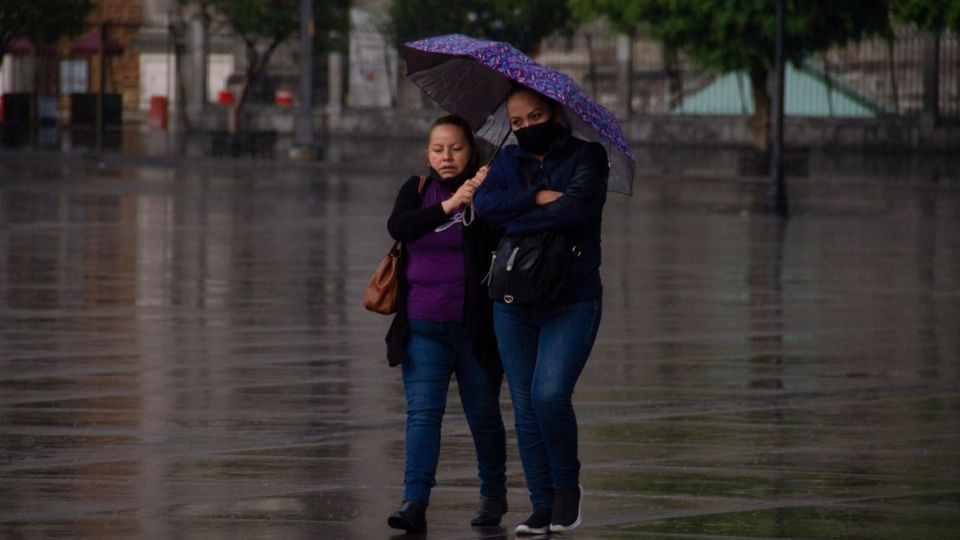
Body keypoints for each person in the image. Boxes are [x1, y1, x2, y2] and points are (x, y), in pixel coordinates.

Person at [472, 86, 609, 535]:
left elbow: (575, 211)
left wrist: (518, 212)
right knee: (526, 405)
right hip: (512, 299)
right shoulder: (506, 160)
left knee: (549, 394)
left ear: (554, 112)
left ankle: (567, 487)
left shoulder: (588, 157)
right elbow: (486, 208)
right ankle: (541, 504)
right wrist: (534, 197)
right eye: (517, 123)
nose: (527, 127)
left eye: (535, 117)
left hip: (572, 298)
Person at [384, 115, 507, 532]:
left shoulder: (486, 190)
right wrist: (450, 205)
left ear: (471, 151)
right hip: (422, 325)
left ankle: (493, 495)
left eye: (455, 148)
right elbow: (399, 226)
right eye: (438, 149)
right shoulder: (417, 190)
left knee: (484, 415)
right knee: (422, 415)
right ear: (427, 153)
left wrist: (484, 197)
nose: (446, 157)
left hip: (475, 330)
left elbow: (505, 236)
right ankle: (414, 501)